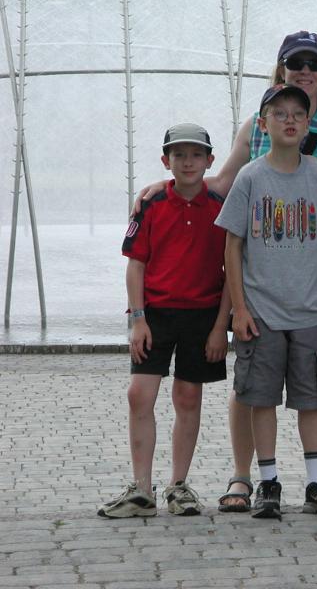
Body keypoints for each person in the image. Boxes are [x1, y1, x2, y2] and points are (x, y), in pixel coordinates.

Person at [136, 30, 317, 511]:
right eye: (295, 63)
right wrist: (170, 185)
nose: (304, 70)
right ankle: (246, 476)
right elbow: (223, 184)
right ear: (281, 71)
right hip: (263, 274)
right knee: (254, 380)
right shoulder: (256, 127)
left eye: (313, 63)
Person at [215, 84, 317, 520]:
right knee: (261, 399)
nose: (289, 120)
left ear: (309, 125)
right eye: (279, 114)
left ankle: (315, 484)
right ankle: (268, 482)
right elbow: (232, 247)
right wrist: (239, 307)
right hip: (262, 314)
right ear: (263, 124)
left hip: (310, 311)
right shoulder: (250, 178)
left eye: (298, 114)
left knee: (312, 399)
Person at [98, 123, 231, 518]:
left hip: (203, 315)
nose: (187, 162)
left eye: (195, 155)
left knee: (188, 397)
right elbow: (135, 265)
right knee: (139, 394)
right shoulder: (151, 204)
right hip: (154, 315)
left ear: (209, 161)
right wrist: (138, 319)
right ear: (165, 161)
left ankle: (179, 486)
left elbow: (233, 268)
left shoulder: (222, 207)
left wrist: (219, 327)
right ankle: (141, 490)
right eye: (178, 155)